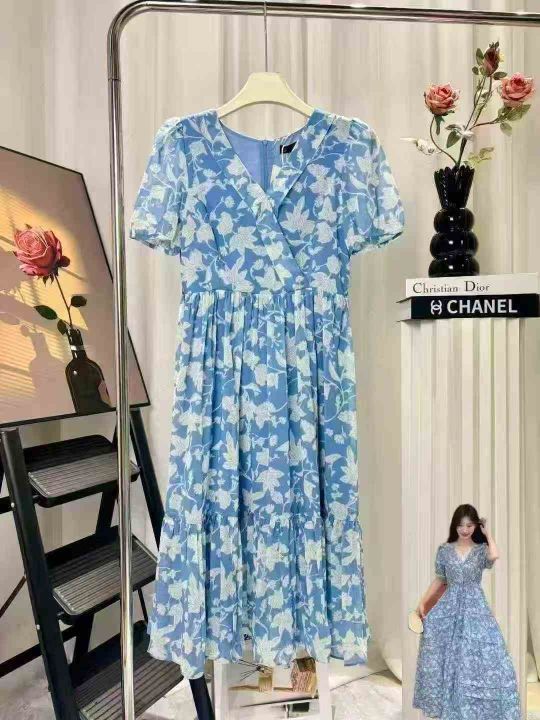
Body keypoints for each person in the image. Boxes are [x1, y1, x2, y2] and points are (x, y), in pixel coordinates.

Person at [412, 504, 520, 719]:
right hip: (449, 607)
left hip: (475, 608)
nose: (465, 530)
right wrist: (422, 603)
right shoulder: (444, 550)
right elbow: (440, 579)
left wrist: (487, 534)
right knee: (449, 656)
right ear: (455, 526)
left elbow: (494, 555)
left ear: (475, 526)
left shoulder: (480, 550)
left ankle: (473, 710)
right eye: (461, 525)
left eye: (470, 525)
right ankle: (451, 708)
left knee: (479, 657)